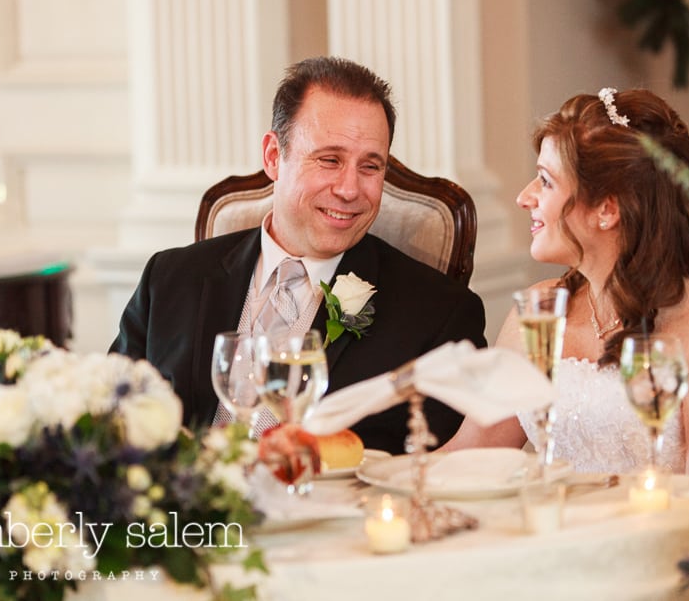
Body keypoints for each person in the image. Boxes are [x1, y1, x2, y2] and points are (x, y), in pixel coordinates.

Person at [110, 56, 487, 454]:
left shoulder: (439, 314)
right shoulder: (169, 279)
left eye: (371, 167)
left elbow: (442, 476)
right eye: (330, 160)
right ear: (274, 156)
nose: (349, 189)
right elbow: (110, 421)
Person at [444, 88, 689, 476]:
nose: (524, 197)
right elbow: (467, 457)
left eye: (545, 181)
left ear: (607, 209)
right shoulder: (540, 310)